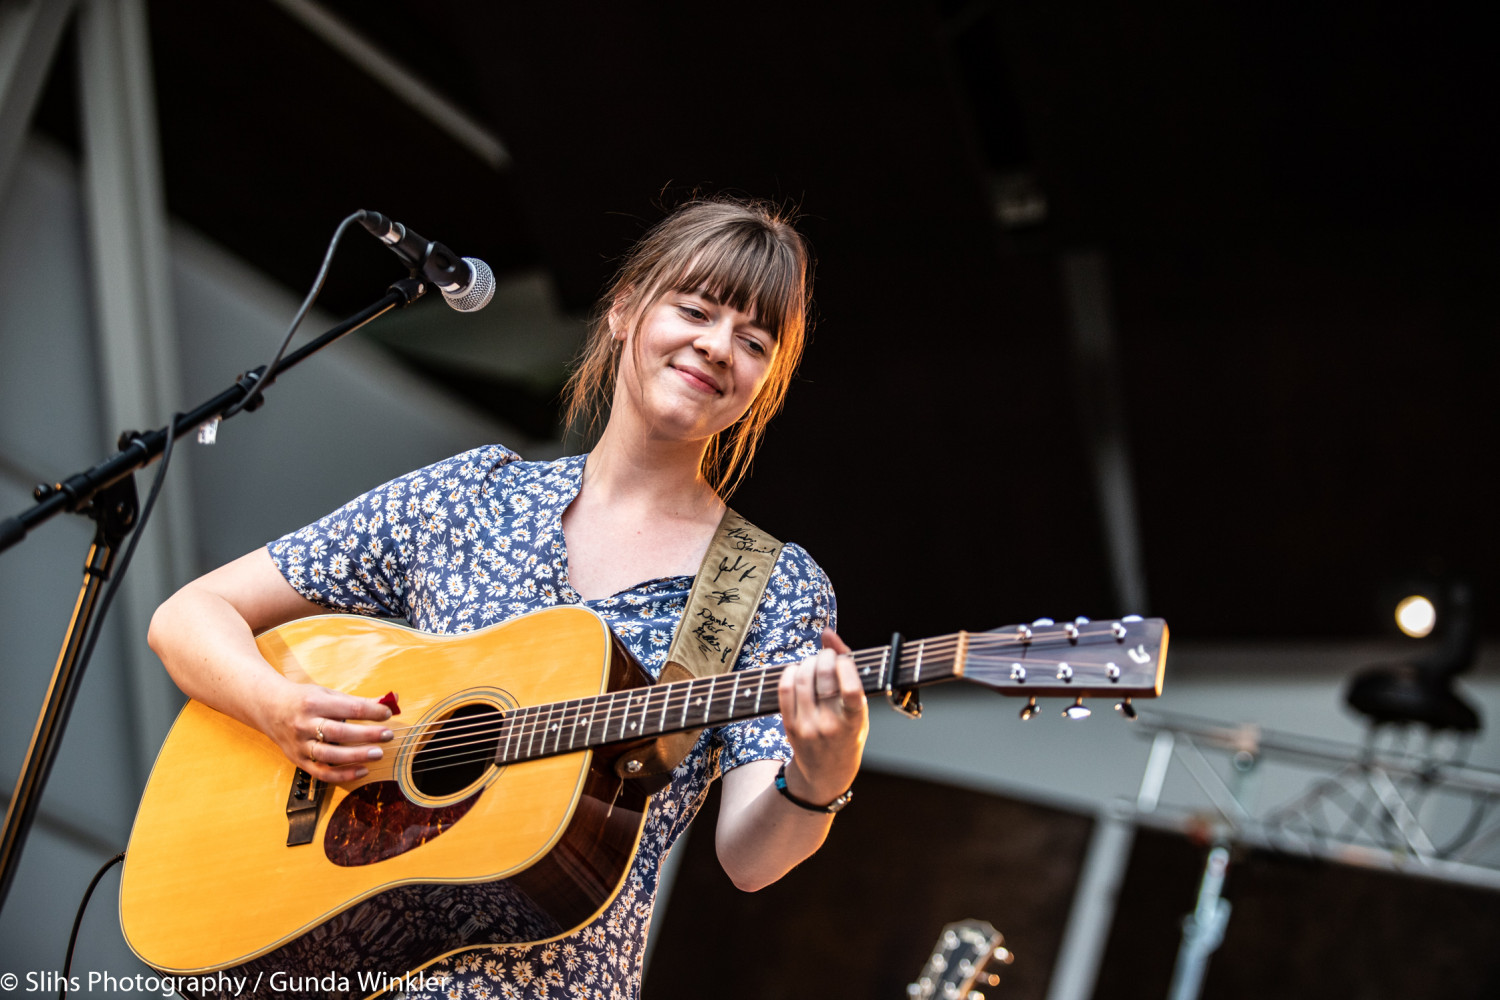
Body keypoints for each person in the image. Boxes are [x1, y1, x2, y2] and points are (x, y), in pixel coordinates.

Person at [147, 196, 868, 1000]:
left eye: (754, 340)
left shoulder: (771, 586)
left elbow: (749, 858)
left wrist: (820, 773)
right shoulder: (472, 493)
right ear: (626, 309)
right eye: (695, 309)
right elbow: (188, 617)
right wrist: (279, 708)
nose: (717, 346)